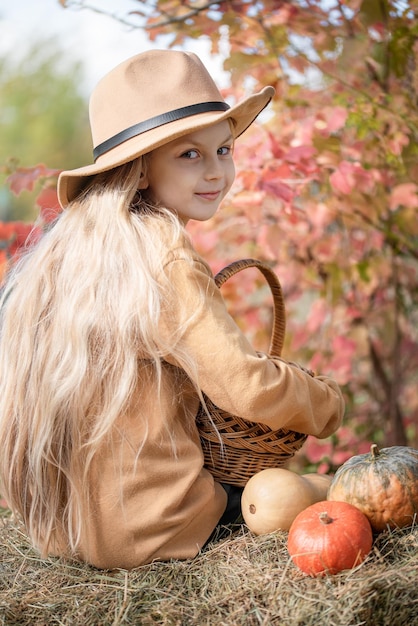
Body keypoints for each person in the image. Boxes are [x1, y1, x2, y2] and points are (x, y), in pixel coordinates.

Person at [0, 50, 344, 570]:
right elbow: (245, 384)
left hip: (68, 533)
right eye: (189, 154)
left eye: (224, 149)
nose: (216, 172)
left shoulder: (72, 256)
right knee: (324, 491)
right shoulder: (164, 257)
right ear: (139, 171)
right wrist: (326, 404)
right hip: (162, 524)